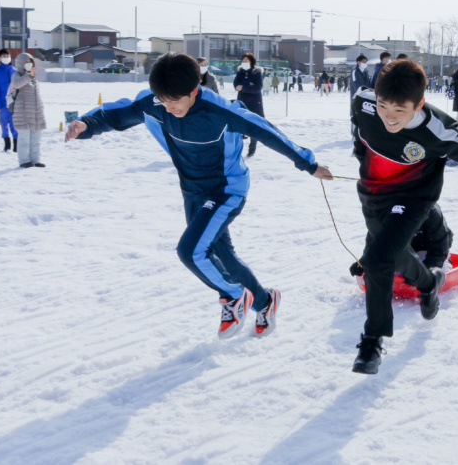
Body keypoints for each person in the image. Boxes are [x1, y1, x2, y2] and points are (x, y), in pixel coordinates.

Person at [64, 53, 333, 339]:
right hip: (192, 189)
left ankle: (232, 295)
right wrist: (86, 125)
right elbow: (117, 113)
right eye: (163, 101)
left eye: (174, 102)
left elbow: (267, 132)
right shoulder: (157, 102)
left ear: (193, 91)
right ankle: (265, 301)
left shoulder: (219, 111)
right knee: (223, 256)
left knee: (190, 251)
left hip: (226, 189)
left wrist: (308, 164)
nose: (167, 109)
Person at [349, 59, 458, 374]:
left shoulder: (437, 131)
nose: (389, 118)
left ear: (418, 104)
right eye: (383, 106)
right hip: (373, 196)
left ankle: (372, 339)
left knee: (377, 260)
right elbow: (359, 122)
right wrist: (360, 151)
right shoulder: (364, 104)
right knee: (397, 256)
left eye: (399, 111)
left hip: (413, 198)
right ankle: (430, 282)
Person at [9, 53, 46, 168]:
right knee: (24, 139)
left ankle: (35, 160)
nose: (29, 64)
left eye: (30, 62)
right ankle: (24, 160)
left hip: (35, 112)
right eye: (26, 62)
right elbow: (16, 84)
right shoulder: (17, 75)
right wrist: (29, 76)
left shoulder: (34, 78)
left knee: (35, 139)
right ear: (20, 63)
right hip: (23, 112)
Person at [233, 53, 264, 157]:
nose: (244, 62)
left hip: (255, 102)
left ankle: (252, 148)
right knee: (239, 124)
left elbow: (257, 87)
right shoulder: (240, 71)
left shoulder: (257, 72)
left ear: (252, 61)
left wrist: (244, 86)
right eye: (243, 60)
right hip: (242, 101)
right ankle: (238, 148)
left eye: (246, 60)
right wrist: (249, 84)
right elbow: (236, 84)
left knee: (254, 124)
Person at [0, 48, 18, 152]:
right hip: (2, 104)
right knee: (3, 125)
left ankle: (16, 145)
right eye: (3, 56)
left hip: (14, 104)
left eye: (7, 56)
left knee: (14, 125)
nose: (6, 58)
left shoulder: (15, 72)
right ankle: (7, 144)